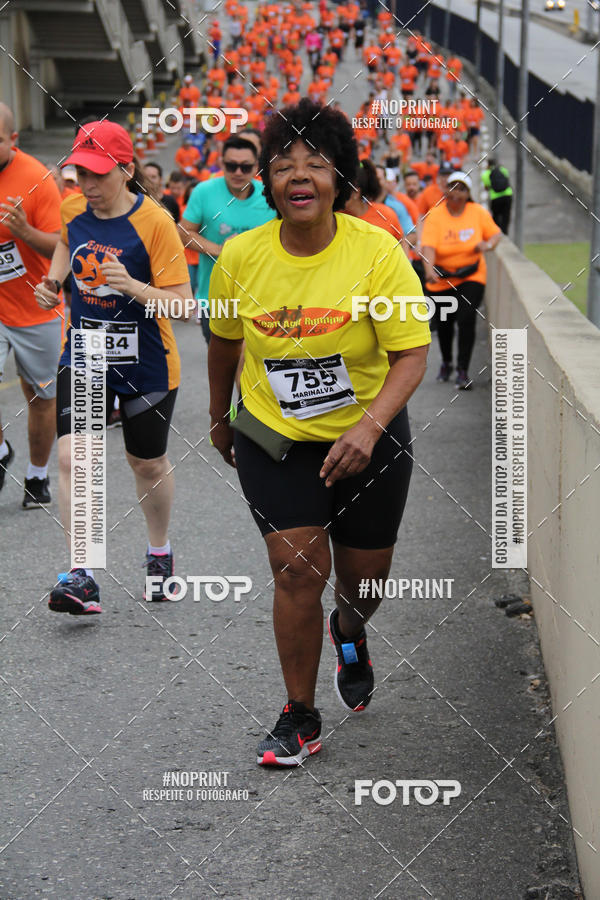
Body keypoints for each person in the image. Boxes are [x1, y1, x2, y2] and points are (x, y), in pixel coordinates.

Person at [207, 99, 430, 766]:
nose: (298, 175)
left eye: (315, 163)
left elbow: (412, 354)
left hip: (370, 433)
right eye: (283, 166)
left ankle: (351, 630)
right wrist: (220, 417)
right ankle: (298, 715)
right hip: (275, 436)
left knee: (365, 581)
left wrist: (367, 427)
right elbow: (222, 341)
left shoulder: (377, 252)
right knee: (297, 569)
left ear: (340, 178)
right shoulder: (241, 257)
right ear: (269, 185)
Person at [34, 120, 191, 614]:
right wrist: (54, 281)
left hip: (146, 361)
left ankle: (159, 553)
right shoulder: (73, 206)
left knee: (146, 464)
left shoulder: (156, 223)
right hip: (86, 354)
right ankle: (82, 573)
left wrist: (134, 286)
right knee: (72, 459)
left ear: (126, 171)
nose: (88, 186)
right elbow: (65, 241)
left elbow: (184, 306)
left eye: (99, 175)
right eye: (81, 173)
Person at [0, 102, 63, 509]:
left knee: (40, 398)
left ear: (12, 140)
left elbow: (62, 246)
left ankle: (37, 476)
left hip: (36, 307)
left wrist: (24, 231)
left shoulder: (37, 178)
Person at [179, 135, 274, 343]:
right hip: (214, 300)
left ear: (256, 166)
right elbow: (184, 233)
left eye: (245, 167)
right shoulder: (204, 191)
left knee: (254, 369)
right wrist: (220, 250)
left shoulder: (270, 195)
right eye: (231, 166)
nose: (238, 172)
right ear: (221, 163)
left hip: (262, 300)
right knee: (222, 368)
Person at [421, 171, 501, 389]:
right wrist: (429, 270)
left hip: (471, 274)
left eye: (462, 189)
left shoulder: (477, 212)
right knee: (445, 324)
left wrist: (488, 245)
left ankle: (463, 370)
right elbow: (428, 247)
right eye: (452, 188)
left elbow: (495, 234)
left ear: (468, 193)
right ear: (445, 190)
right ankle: (447, 362)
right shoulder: (435, 215)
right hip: (442, 277)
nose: (456, 193)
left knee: (466, 318)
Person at [481, 157, 513, 234]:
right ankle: (505, 233)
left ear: (488, 165)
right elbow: (507, 181)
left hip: (495, 197)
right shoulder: (503, 170)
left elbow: (486, 187)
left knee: (496, 216)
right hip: (507, 195)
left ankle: (497, 233)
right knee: (506, 215)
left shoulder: (485, 174)